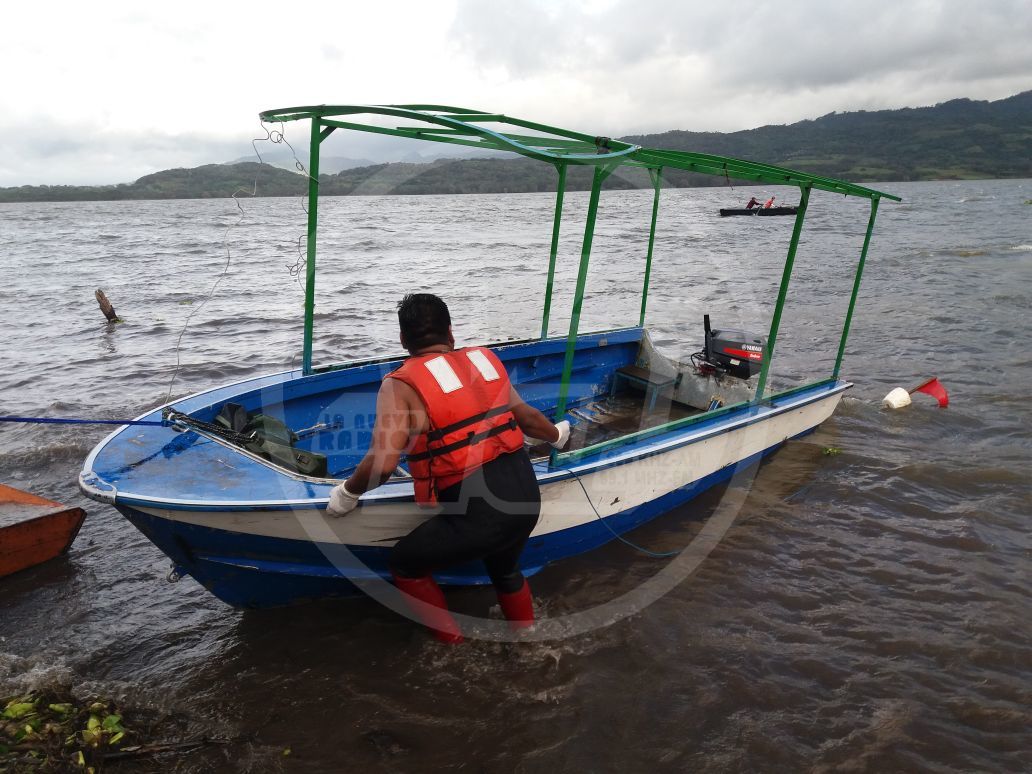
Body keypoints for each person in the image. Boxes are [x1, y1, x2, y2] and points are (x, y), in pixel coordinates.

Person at [327, 293, 569, 644]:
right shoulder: (485, 361)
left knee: (406, 564)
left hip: (483, 515)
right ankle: (527, 640)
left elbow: (383, 463)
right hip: (526, 498)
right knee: (505, 569)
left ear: (403, 340)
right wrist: (558, 436)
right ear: (451, 333)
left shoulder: (400, 385)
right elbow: (530, 420)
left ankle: (451, 649)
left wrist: (347, 494)